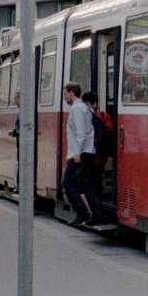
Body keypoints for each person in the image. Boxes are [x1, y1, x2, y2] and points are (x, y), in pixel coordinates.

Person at [60, 81, 94, 225]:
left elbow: (81, 133)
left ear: (72, 93)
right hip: (82, 151)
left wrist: (77, 154)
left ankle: (82, 213)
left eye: (65, 94)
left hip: (79, 153)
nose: (64, 97)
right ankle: (94, 213)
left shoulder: (77, 109)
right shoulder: (81, 108)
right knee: (86, 184)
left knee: (67, 182)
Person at [82, 92, 113, 226]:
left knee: (90, 186)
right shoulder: (104, 116)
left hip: (91, 157)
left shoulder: (87, 117)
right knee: (97, 184)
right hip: (101, 158)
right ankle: (98, 212)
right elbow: (110, 134)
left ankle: (97, 214)